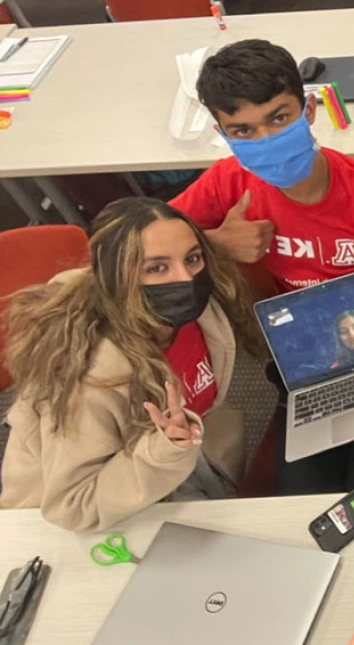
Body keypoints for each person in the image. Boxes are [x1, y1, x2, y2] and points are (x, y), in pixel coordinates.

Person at [171, 39, 354, 495]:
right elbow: (128, 247)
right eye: (243, 131)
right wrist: (214, 243)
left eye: (279, 118)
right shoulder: (226, 184)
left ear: (309, 109)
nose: (267, 141)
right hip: (297, 365)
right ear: (222, 131)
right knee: (302, 500)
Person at [0, 198, 265, 531]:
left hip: (178, 460)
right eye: (157, 268)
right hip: (99, 513)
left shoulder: (201, 313)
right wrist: (162, 452)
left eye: (192, 258)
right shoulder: (89, 377)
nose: (184, 278)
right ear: (118, 276)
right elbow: (73, 506)